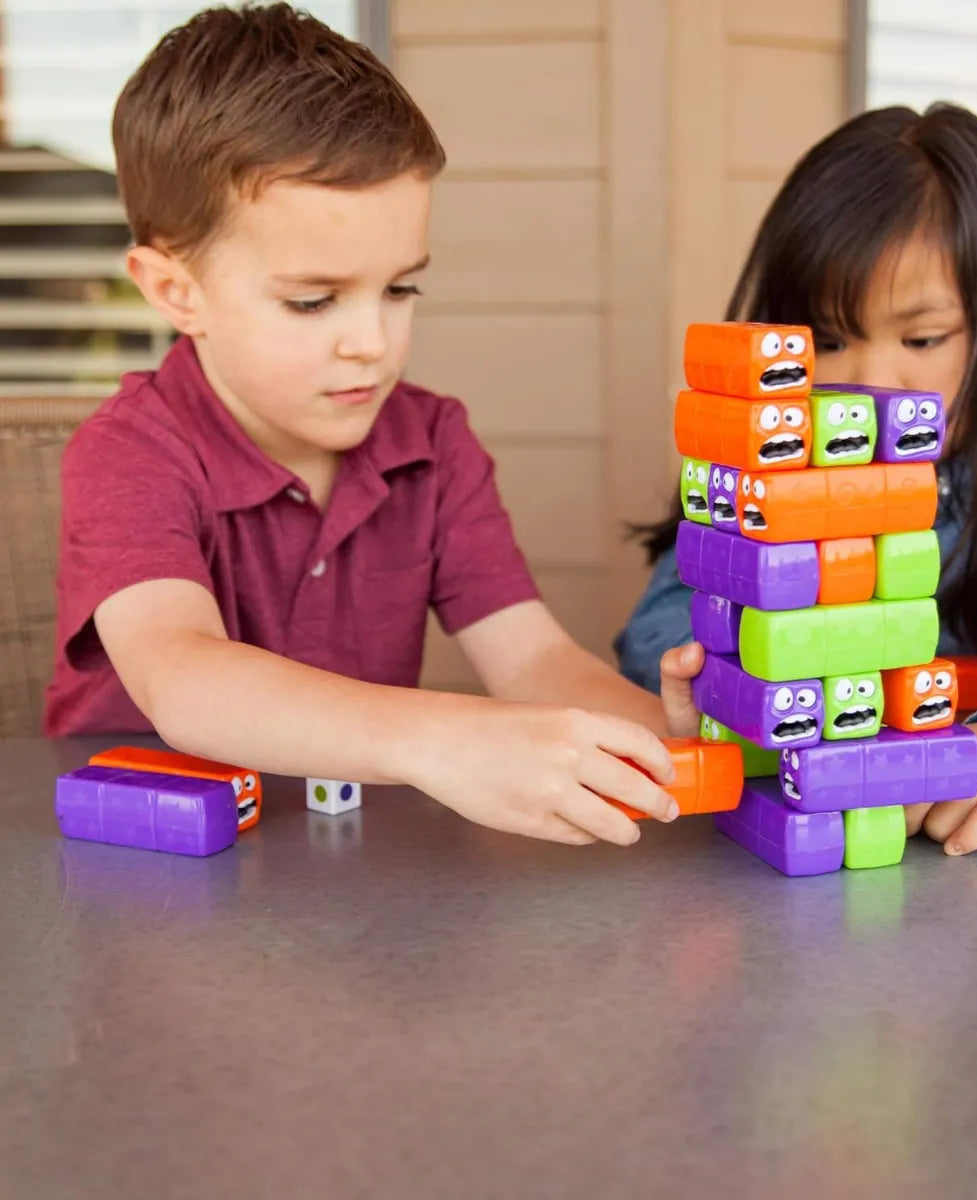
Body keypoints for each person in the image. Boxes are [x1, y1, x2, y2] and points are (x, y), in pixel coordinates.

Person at [44, 3, 696, 847]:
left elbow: (535, 662)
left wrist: (671, 741)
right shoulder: (130, 451)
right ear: (176, 292)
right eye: (313, 301)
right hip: (135, 871)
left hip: (348, 875)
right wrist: (441, 738)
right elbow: (183, 677)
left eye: (400, 290)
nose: (372, 344)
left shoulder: (433, 444)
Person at [618, 103, 977, 856]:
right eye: (827, 339)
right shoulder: (767, 484)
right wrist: (728, 678)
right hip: (785, 845)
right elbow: (654, 632)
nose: (870, 384)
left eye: (921, 338)